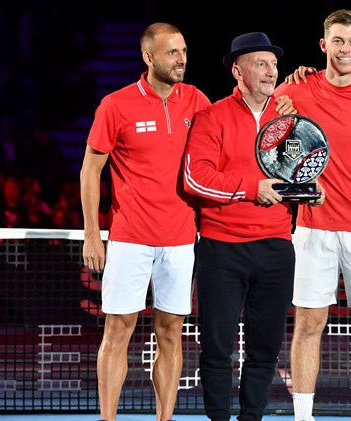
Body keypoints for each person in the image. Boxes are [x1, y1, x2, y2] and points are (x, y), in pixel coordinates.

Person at [182, 32, 322, 421]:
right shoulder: (213, 117)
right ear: (238, 70)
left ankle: (251, 417)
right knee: (217, 346)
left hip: (276, 247)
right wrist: (250, 189)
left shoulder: (288, 118)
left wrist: (311, 189)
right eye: (261, 64)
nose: (270, 71)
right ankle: (218, 418)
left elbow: (295, 171)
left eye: (274, 64)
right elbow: (195, 178)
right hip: (221, 248)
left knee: (265, 349)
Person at [80, 23, 212, 421]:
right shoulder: (115, 105)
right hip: (129, 238)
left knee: (171, 332)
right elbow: (91, 171)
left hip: (180, 238)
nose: (181, 59)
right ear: (148, 57)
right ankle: (108, 418)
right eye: (172, 52)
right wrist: (92, 234)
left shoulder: (198, 100)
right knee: (117, 331)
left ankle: (165, 417)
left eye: (184, 50)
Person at [276, 9, 351, 421]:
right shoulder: (297, 89)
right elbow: (266, 143)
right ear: (323, 45)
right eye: (337, 41)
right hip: (312, 229)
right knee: (307, 326)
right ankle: (303, 417)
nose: (344, 50)